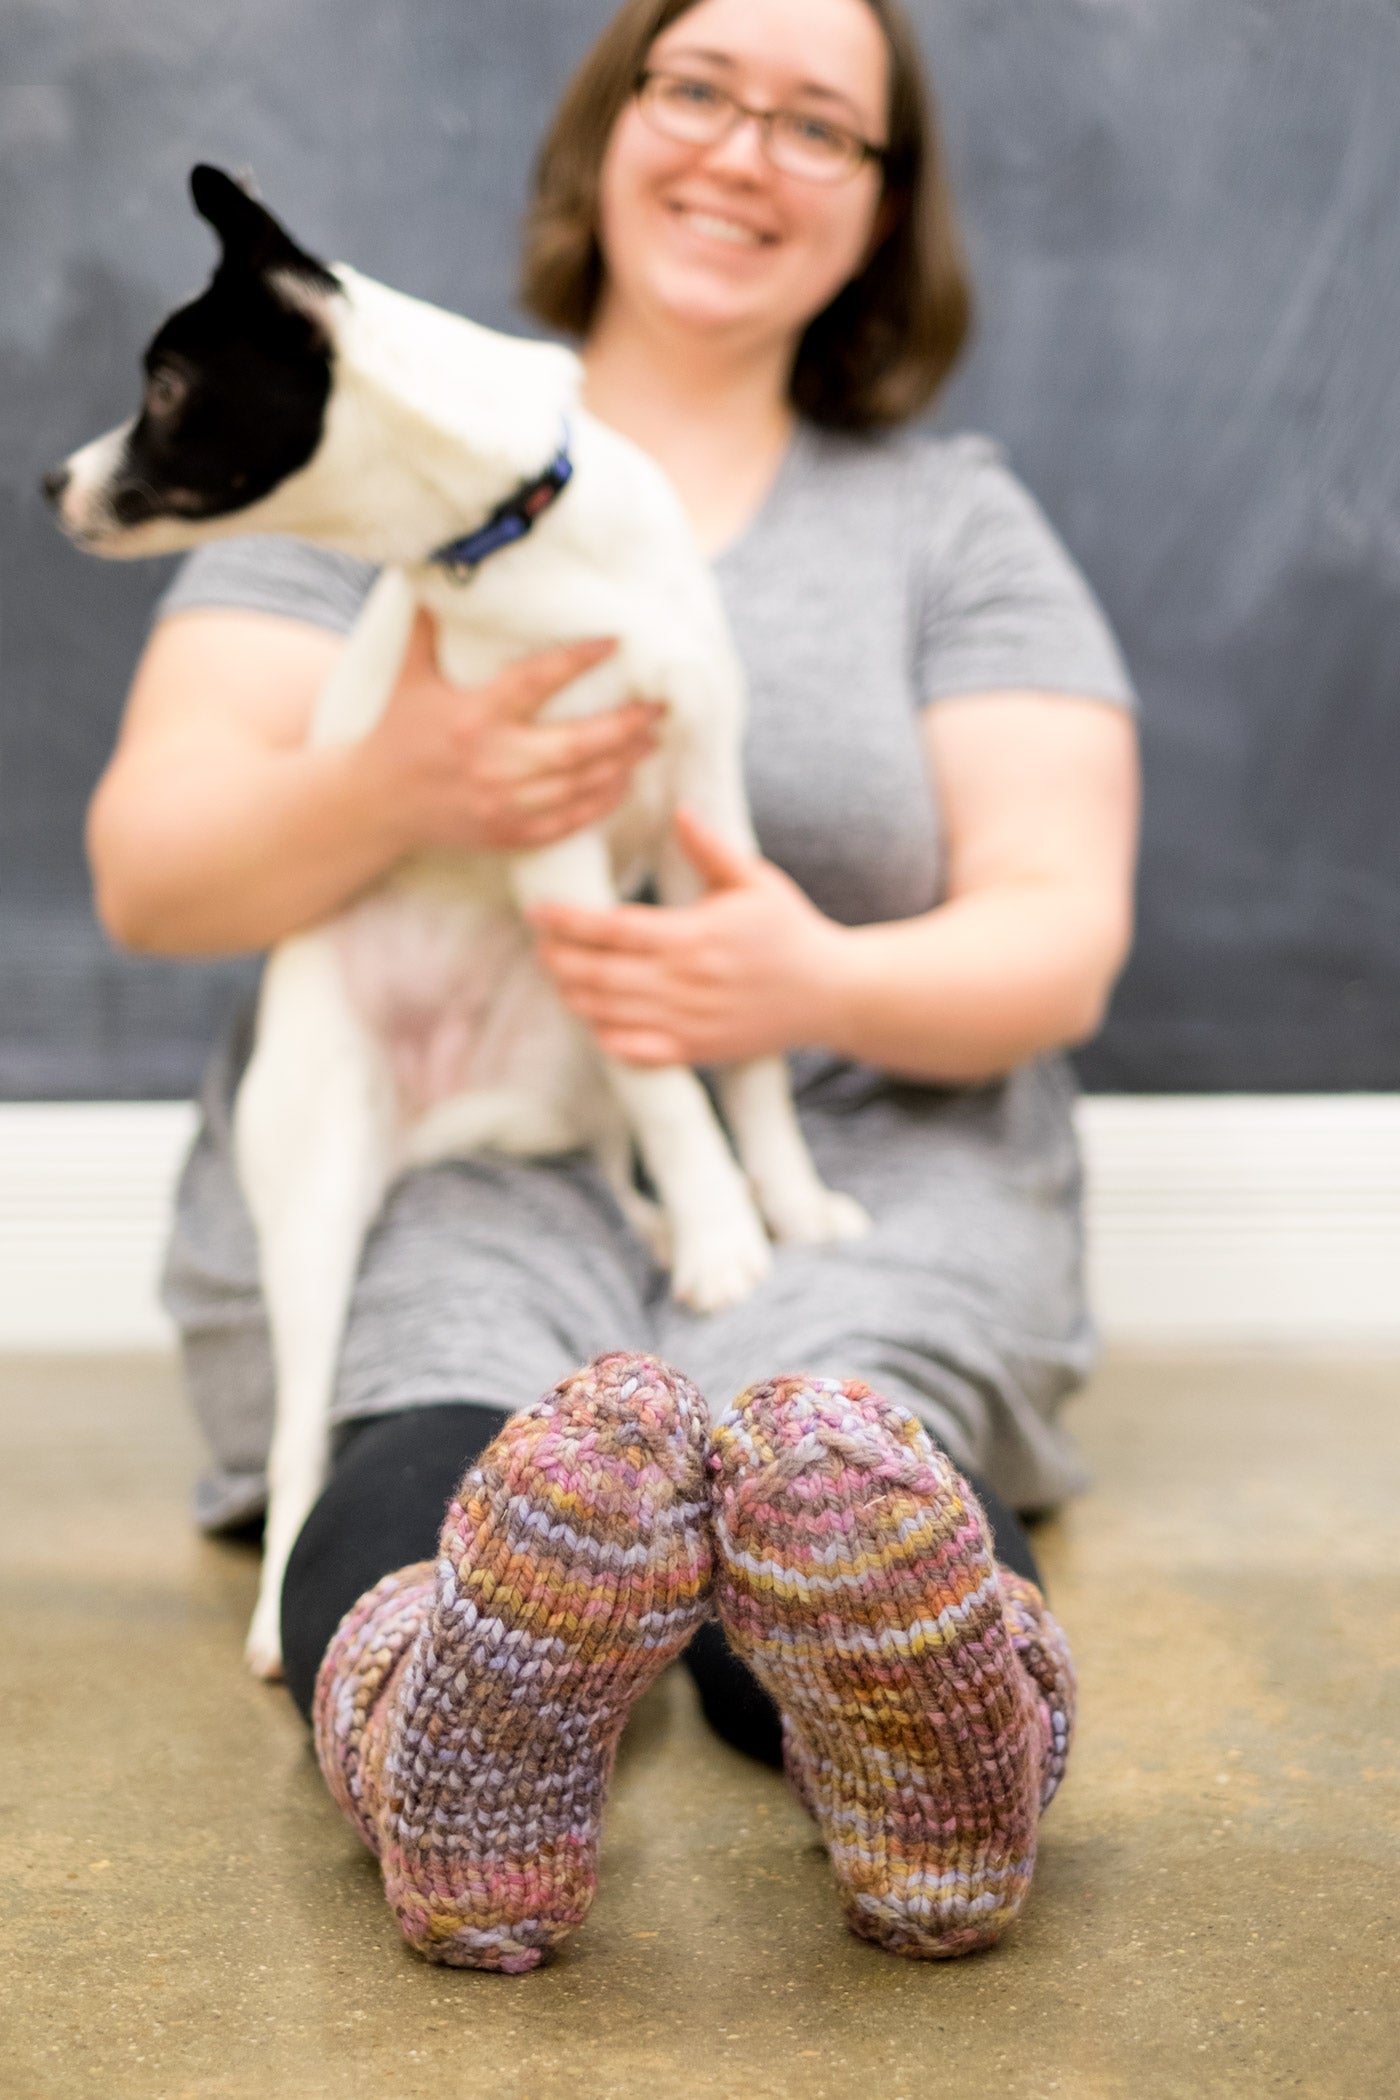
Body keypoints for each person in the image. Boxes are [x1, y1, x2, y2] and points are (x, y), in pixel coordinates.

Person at [87, 0, 1138, 1966]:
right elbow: (149, 866)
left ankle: (931, 1722)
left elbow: (1057, 926)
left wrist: (801, 974)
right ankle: (448, 1726)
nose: (745, 151)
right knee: (466, 1413)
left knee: (841, 1431)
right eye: (700, 88)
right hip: (471, 1132)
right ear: (609, 123)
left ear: (883, 209)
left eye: (819, 127)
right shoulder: (352, 451)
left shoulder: (947, 521)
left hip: (857, 1138)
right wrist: (412, 781)